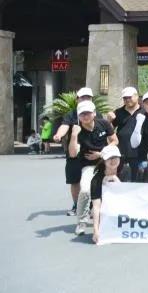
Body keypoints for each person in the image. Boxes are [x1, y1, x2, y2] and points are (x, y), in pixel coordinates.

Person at [68, 100, 118, 236]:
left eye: (88, 113)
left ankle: (116, 219)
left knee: (116, 188)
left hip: (107, 163)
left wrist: (101, 153)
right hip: (89, 166)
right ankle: (81, 222)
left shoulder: (104, 124)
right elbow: (72, 153)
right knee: (85, 190)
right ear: (78, 116)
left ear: (94, 113)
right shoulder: (76, 130)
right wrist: (74, 135)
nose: (85, 116)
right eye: (82, 114)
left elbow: (115, 141)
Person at [52, 86, 95, 216]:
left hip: (91, 152)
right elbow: (64, 126)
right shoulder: (71, 114)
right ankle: (77, 206)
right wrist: (58, 135)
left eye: (88, 97)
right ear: (77, 99)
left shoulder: (95, 113)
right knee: (74, 180)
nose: (85, 99)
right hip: (74, 151)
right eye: (82, 97)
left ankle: (93, 206)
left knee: (92, 180)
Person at [89, 145, 131, 243]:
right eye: (109, 158)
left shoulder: (126, 170)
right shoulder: (96, 179)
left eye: (115, 157)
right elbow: (96, 206)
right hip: (104, 207)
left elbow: (128, 196)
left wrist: (117, 182)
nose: (113, 160)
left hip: (122, 204)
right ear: (104, 160)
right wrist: (95, 230)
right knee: (95, 211)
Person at [106, 87, 143, 174]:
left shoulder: (144, 111)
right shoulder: (118, 112)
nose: (127, 100)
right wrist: (109, 121)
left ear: (137, 96)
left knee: (138, 179)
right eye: (125, 98)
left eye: (129, 97)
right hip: (122, 153)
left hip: (140, 154)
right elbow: (110, 131)